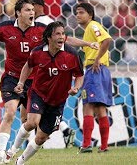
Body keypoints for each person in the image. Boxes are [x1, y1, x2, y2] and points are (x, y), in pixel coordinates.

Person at [0, 0, 96, 164]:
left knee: (29, 122)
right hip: (12, 78)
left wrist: (87, 44)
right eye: (27, 10)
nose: (32, 12)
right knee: (10, 111)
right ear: (18, 13)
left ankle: (14, 152)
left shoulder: (42, 29)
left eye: (33, 10)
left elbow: (65, 40)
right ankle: (1, 155)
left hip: (35, 81)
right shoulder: (5, 28)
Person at [13, 21, 84, 165]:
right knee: (32, 122)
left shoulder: (72, 54)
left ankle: (19, 162)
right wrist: (21, 82)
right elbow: (28, 66)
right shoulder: (38, 52)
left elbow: (79, 75)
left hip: (57, 102)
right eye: (57, 34)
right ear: (49, 37)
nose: (61, 37)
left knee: (41, 138)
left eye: (63, 34)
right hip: (38, 94)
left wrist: (76, 88)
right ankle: (12, 150)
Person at [75, 2, 113, 153]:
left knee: (88, 107)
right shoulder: (88, 31)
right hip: (102, 71)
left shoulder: (93, 25)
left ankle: (86, 145)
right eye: (76, 12)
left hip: (95, 69)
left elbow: (107, 40)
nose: (78, 15)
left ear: (90, 15)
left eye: (81, 12)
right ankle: (104, 147)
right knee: (100, 108)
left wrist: (97, 59)